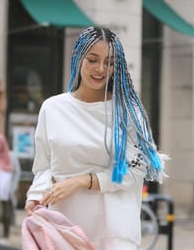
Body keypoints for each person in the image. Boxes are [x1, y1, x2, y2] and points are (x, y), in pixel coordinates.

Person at [24, 26, 167, 250]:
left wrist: (82, 181)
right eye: (92, 60)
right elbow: (43, 166)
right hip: (65, 228)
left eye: (109, 63)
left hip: (114, 231)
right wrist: (36, 196)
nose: (101, 69)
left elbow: (137, 168)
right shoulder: (52, 108)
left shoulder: (127, 112)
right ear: (78, 58)